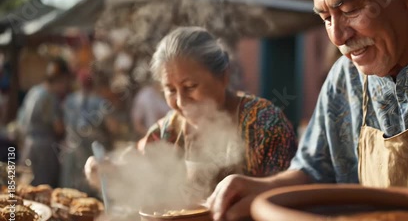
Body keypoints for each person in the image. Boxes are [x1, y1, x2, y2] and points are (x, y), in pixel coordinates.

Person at [207, 0, 408, 221]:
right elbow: (315, 173)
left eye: (349, 10)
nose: (337, 36)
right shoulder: (344, 79)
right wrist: (262, 188)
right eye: (325, 18)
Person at [85, 26, 297, 198]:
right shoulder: (170, 129)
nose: (180, 101)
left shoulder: (265, 125)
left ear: (223, 77)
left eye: (190, 87)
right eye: (170, 90)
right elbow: (136, 165)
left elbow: (288, 196)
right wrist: (108, 171)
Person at [60, 68, 117, 195]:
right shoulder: (100, 102)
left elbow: (64, 125)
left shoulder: (69, 100)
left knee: (71, 195)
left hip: (73, 151)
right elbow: (113, 126)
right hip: (93, 154)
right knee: (93, 195)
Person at [17, 58, 71, 187]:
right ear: (61, 79)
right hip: (43, 150)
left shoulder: (34, 91)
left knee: (26, 186)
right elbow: (58, 128)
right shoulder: (48, 97)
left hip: (28, 144)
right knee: (41, 190)